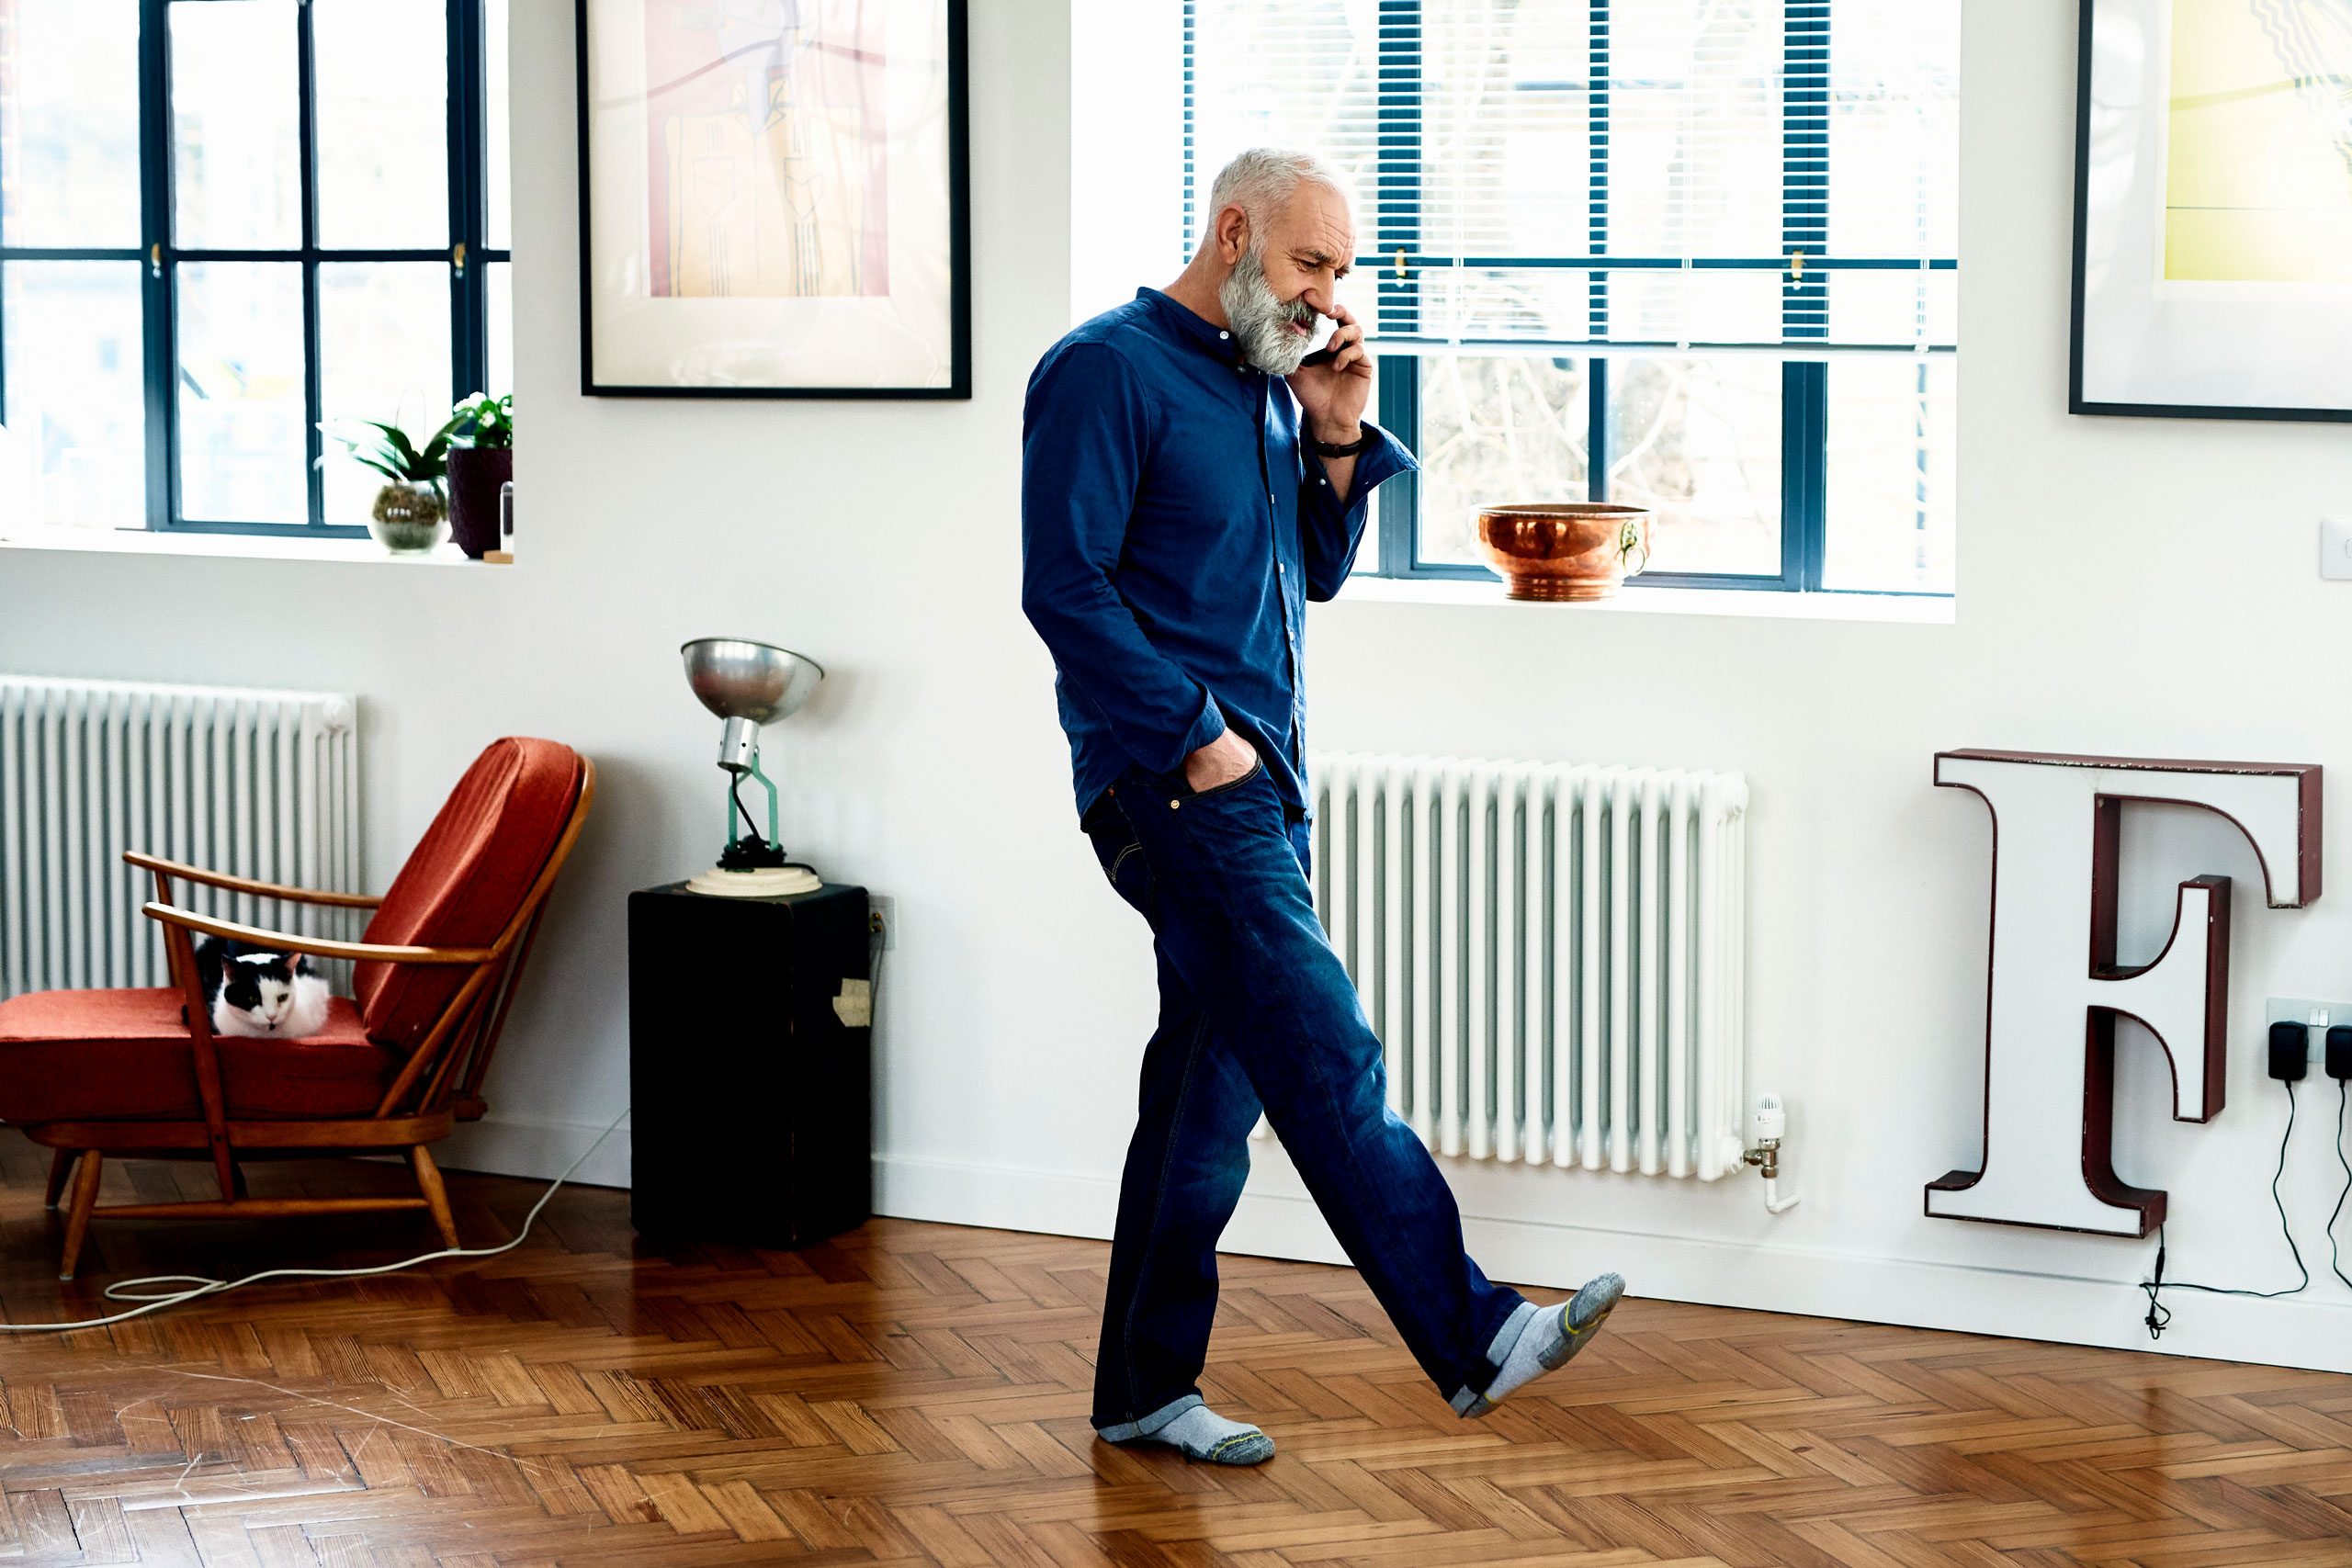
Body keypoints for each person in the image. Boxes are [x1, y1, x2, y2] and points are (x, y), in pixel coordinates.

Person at [1020, 148, 1625, 1468]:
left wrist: (1339, 425)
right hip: (1176, 784)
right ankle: (1474, 1337)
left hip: (1264, 791)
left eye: (1342, 272)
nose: (1329, 294)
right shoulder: (1102, 372)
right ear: (1233, 232)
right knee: (1327, 1053)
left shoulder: (1267, 384)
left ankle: (1140, 1387)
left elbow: (1317, 575)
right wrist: (1196, 745)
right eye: (1311, 264)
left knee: (1204, 1097)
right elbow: (1063, 590)